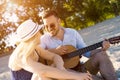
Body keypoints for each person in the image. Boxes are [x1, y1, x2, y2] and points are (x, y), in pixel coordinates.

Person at [40, 10, 118, 80]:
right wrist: (55, 51)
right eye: (46, 26)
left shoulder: (72, 33)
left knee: (102, 54)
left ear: (59, 21)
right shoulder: (44, 39)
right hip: (65, 75)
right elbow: (38, 55)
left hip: (80, 68)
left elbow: (87, 52)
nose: (49, 28)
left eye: (52, 25)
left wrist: (102, 48)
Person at [8, 19, 92, 80]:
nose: (41, 35)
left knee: (53, 67)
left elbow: (55, 57)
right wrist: (77, 76)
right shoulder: (21, 56)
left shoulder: (36, 49)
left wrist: (61, 68)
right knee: (42, 75)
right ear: (34, 37)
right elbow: (43, 71)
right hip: (40, 76)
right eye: (39, 32)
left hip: (38, 76)